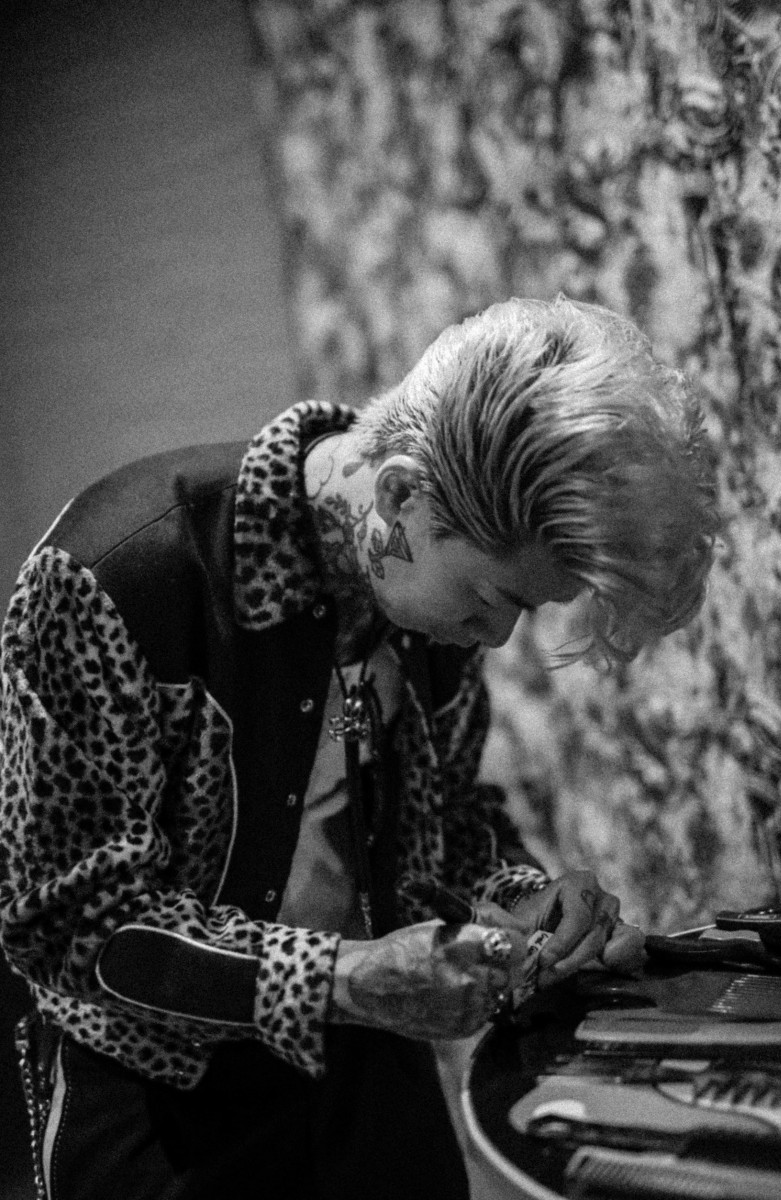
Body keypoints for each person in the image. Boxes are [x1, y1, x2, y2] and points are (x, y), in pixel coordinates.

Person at [0, 295, 718, 1199]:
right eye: (492, 598)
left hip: (369, 1075)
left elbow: (446, 824)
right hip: (155, 1097)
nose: (498, 638)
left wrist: (525, 902)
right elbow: (63, 922)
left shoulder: (427, 597)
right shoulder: (116, 575)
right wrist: (347, 977)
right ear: (400, 494)